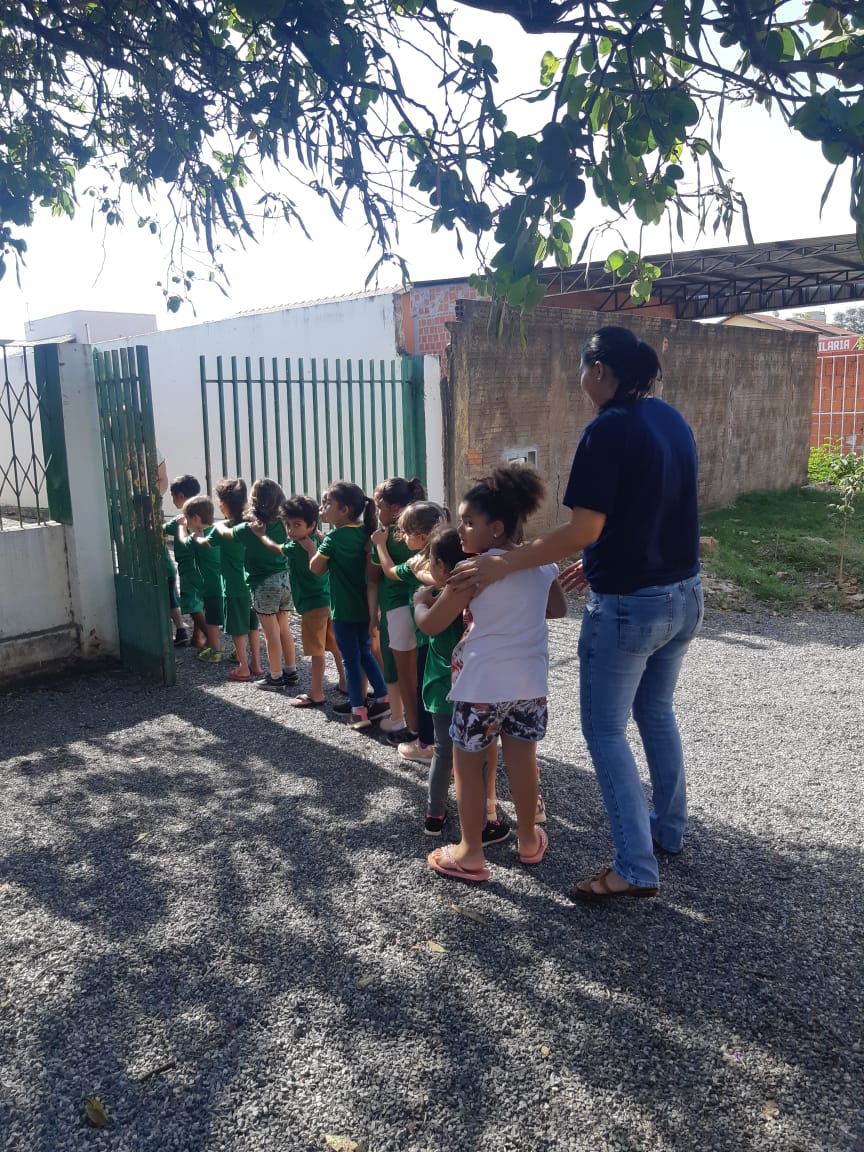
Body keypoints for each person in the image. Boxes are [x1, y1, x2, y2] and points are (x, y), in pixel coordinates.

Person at [450, 325, 703, 901]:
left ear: (598, 370)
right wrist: (598, 555)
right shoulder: (670, 419)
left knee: (606, 731)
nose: (580, 378)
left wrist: (504, 565)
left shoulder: (606, 430)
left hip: (630, 607)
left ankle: (635, 869)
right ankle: (669, 830)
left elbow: (583, 528)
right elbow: (657, 506)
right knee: (657, 713)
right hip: (685, 593)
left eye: (582, 368)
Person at [418, 466, 566, 883]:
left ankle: (470, 853)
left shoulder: (471, 571)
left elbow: (431, 625)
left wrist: (417, 602)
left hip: (481, 685)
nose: (461, 530)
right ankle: (527, 840)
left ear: (496, 529)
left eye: (468, 522)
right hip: (529, 684)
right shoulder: (542, 565)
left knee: (468, 768)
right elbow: (557, 609)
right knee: (523, 762)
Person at [413, 527, 513, 847]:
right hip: (474, 689)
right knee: (478, 756)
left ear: (442, 567)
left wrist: (418, 601)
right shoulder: (481, 598)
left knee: (444, 753)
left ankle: (434, 816)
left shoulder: (436, 601)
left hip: (440, 688)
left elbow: (428, 619)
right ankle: (482, 823)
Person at [252, 494, 347, 706]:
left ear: (312, 524)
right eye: (288, 524)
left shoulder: (297, 547)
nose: (291, 530)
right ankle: (344, 682)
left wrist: (261, 535)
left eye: (297, 525)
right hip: (327, 602)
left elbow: (276, 549)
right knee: (334, 646)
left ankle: (316, 693)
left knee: (316, 653)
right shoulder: (321, 540)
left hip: (313, 607)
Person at [309, 481, 390, 730]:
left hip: (343, 610)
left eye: (327, 503)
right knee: (365, 653)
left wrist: (315, 545)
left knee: (351, 659)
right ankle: (384, 698)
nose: (322, 508)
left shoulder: (333, 539)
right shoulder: (366, 534)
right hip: (366, 609)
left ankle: (358, 711)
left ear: (344, 510)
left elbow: (315, 567)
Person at [212, 478, 298, 691]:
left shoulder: (249, 528)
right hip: (285, 579)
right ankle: (291, 671)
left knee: (270, 632)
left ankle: (275, 677)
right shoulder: (282, 524)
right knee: (284, 628)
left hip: (263, 583)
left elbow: (227, 533)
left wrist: (218, 524)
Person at [368, 477, 426, 742]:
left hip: (397, 609)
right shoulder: (424, 529)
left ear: (394, 508)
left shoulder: (387, 536)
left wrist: (379, 545)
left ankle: (409, 726)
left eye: (379, 506)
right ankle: (422, 727)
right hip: (424, 607)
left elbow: (381, 574)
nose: (376, 512)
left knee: (402, 672)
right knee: (421, 670)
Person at [205, 478, 263, 682]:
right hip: (252, 585)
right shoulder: (251, 526)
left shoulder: (223, 528)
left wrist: (192, 534)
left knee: (238, 629)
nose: (219, 504)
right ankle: (256, 664)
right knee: (252, 625)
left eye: (220, 500)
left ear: (226, 505)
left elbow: (205, 543)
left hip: (233, 587)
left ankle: (243, 667)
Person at [177, 495, 224, 663]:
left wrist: (182, 526)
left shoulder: (198, 537)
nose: (187, 522)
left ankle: (215, 650)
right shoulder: (218, 532)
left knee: (212, 620)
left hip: (210, 586)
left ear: (195, 518)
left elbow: (183, 540)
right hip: (224, 584)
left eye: (188, 519)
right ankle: (236, 651)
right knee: (229, 619)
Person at [164, 474, 206, 650]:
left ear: (181, 496)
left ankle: (213, 639)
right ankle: (198, 638)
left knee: (191, 605)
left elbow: (162, 530)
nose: (172, 499)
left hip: (189, 568)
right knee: (200, 602)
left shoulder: (181, 519)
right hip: (205, 566)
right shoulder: (204, 513)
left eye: (173, 496)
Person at [157, 457, 187, 646]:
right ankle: (181, 629)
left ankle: (181, 630)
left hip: (164, 570)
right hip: (169, 569)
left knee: (170, 600)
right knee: (172, 600)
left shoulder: (175, 523)